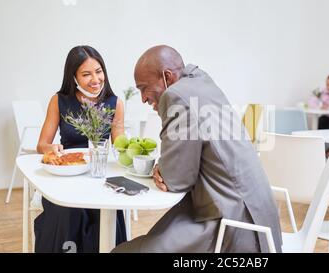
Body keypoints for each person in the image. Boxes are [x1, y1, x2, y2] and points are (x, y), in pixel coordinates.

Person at [112, 45, 282, 253]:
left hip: (233, 224)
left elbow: (176, 180)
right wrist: (165, 166)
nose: (143, 98)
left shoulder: (176, 96)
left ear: (167, 77)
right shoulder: (201, 82)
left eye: (143, 88)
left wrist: (163, 168)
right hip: (256, 215)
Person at [35, 45, 127, 252]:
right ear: (73, 76)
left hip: (99, 175)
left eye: (99, 71)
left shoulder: (115, 103)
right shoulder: (59, 101)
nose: (95, 79)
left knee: (106, 209)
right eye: (86, 74)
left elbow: (120, 144)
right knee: (69, 211)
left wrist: (130, 149)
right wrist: (53, 148)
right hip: (66, 177)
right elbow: (41, 145)